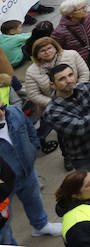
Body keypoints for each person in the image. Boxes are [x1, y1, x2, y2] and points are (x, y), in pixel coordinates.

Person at [0, 87, 64, 237]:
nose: (1, 113)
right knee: (3, 224)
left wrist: (33, 149)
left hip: (27, 172)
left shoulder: (14, 112)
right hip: (3, 188)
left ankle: (40, 226)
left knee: (34, 200)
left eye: (1, 107)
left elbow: (30, 131)